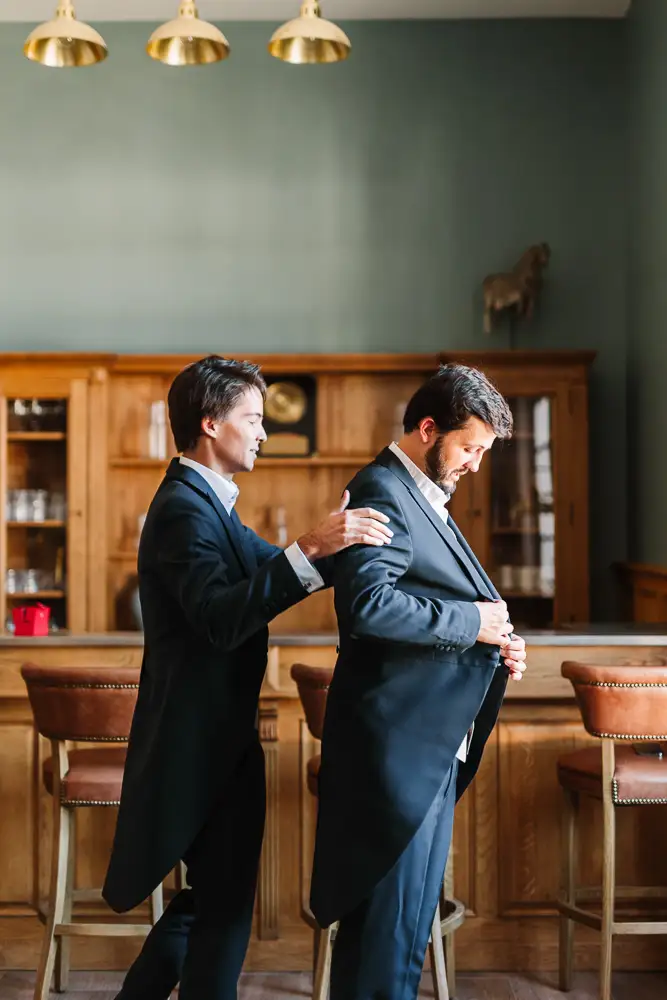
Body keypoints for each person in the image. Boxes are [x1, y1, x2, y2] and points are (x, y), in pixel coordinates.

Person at [102, 355, 393, 1000]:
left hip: (218, 737)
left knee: (218, 899)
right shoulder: (184, 509)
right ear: (211, 423)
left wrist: (347, 549)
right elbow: (218, 618)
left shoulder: (211, 505)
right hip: (198, 743)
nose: (263, 433)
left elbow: (270, 570)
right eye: (253, 419)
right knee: (222, 904)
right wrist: (315, 547)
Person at [310, 363, 527, 1000]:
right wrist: (473, 623)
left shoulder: (422, 496)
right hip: (396, 751)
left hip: (427, 745)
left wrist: (494, 642)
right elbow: (368, 608)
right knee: (386, 937)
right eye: (469, 447)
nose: (475, 465)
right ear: (428, 429)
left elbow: (433, 602)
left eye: (484, 452)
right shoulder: (382, 489)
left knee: (402, 938)